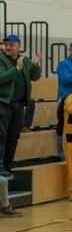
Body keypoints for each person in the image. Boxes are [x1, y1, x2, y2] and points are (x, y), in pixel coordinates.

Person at [0, 35, 42, 179]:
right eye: (6, 45)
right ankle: (0, 166)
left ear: (18, 46)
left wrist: (36, 65)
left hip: (19, 103)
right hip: (4, 102)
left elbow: (35, 77)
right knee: (1, 135)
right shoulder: (1, 59)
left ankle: (8, 164)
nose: (8, 47)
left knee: (13, 136)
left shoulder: (24, 60)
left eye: (12, 45)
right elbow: (1, 78)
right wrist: (16, 68)